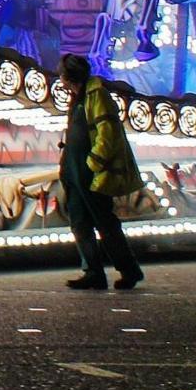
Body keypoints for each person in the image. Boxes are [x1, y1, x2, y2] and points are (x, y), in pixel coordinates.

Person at [55, 54, 143, 291]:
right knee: (80, 222)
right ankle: (93, 271)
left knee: (105, 222)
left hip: (90, 172)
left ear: (69, 76)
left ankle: (129, 270)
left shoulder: (97, 95)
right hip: (74, 172)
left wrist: (94, 163)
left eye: (62, 74)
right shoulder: (78, 99)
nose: (60, 79)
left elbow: (107, 133)